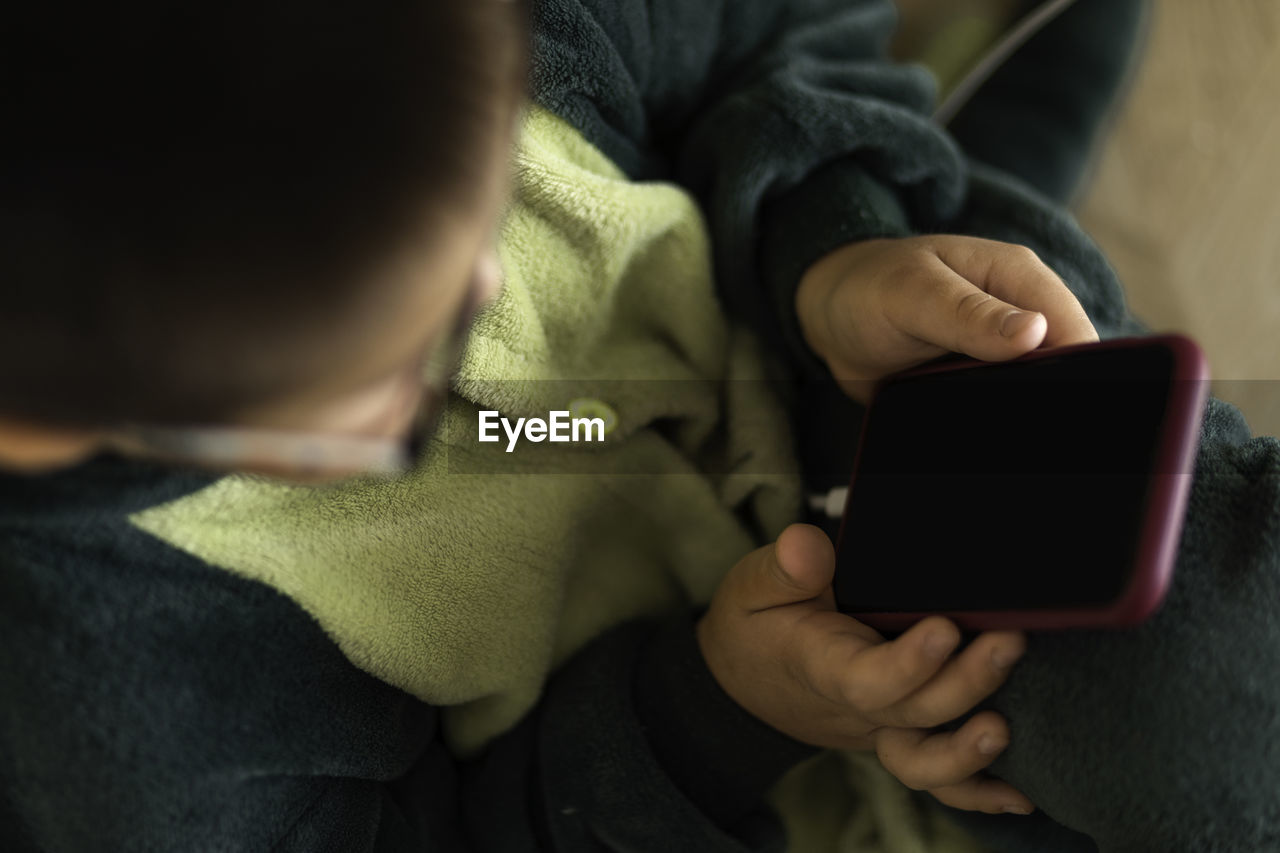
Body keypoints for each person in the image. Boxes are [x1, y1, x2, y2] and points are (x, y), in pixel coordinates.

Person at [3, 2, 1279, 853]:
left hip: (839, 351)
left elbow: (780, 33)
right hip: (696, 736)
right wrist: (720, 709)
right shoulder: (117, 715)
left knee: (1215, 701)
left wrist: (835, 249)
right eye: (413, 353)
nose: (496, 288)